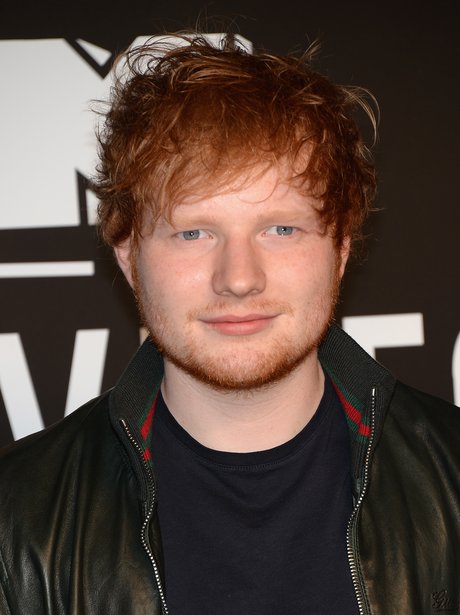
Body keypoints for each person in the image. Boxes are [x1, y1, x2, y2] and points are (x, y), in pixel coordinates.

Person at [0, 33, 459, 615]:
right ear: (127, 256)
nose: (239, 278)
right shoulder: (15, 525)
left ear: (340, 248)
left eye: (281, 229)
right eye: (194, 232)